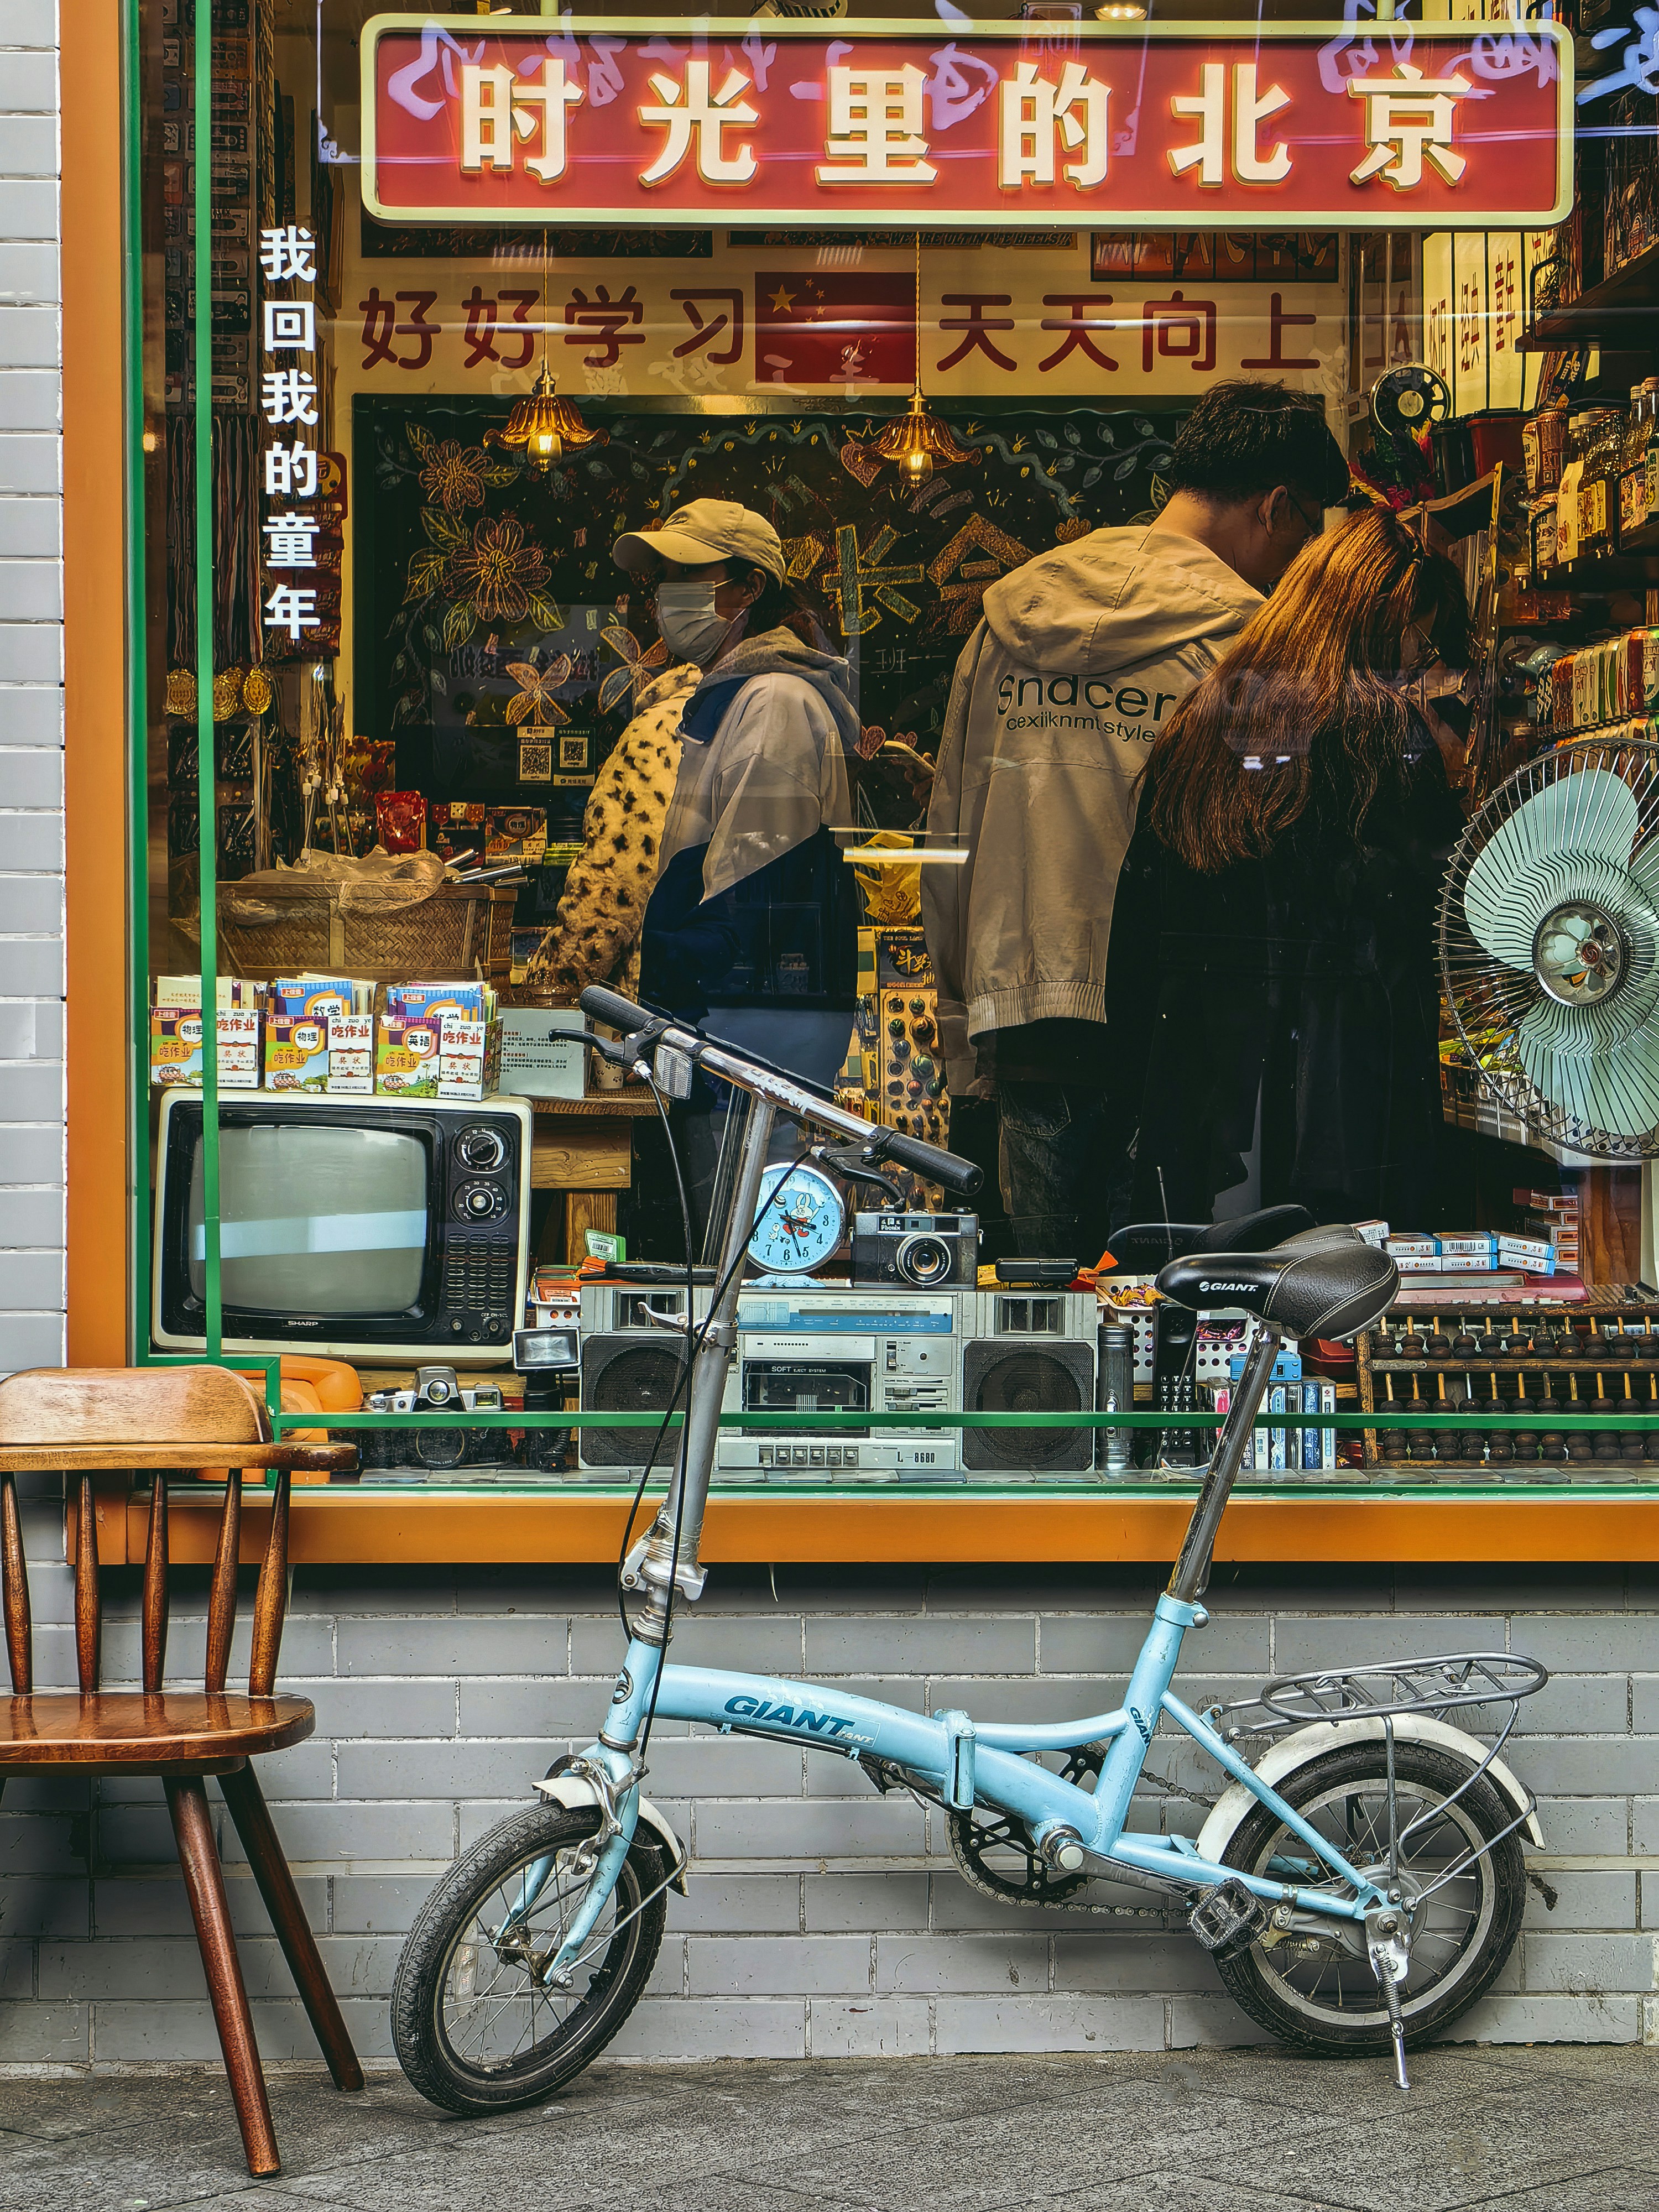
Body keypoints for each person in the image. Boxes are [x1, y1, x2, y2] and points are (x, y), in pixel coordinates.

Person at [922, 380, 1349, 1262]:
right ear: (1276, 507)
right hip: (1175, 1019)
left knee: (1042, 1322)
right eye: (1306, 529)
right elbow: (1267, 852)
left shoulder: (1005, 623)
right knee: (1162, 1316)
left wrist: (963, 1032)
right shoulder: (1249, 644)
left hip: (1024, 1013)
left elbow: (948, 839)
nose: (1298, 559)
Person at [1101, 503, 1474, 1230]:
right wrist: (1451, 780)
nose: (1414, 666)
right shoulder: (1377, 734)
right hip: (1341, 1108)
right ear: (1379, 620)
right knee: (1337, 1320)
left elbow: (1135, 937)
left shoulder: (1204, 721)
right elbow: (1445, 912)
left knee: (1215, 1314)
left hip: (1204, 1096)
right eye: (1418, 643)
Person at [611, 499, 860, 1231]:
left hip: (749, 1036)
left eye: (686, 573)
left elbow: (751, 891)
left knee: (742, 1248)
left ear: (748, 589)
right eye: (658, 577)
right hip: (732, 1028)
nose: (662, 594)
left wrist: (677, 995)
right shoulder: (732, 696)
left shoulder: (773, 701)